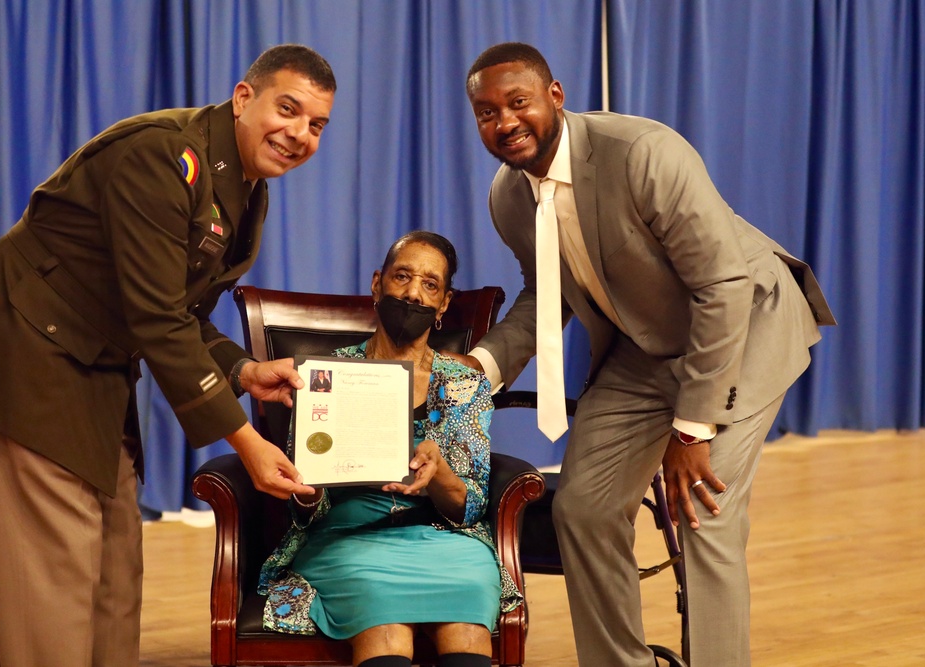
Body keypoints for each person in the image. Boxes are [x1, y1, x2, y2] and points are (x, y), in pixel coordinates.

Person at [0, 44, 335, 666]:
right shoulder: (162, 155)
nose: (300, 134)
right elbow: (156, 316)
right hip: (23, 350)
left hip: (94, 362)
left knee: (116, 572)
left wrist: (243, 369)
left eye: (316, 124)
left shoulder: (247, 189)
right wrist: (248, 444)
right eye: (288, 109)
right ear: (243, 97)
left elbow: (182, 307)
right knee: (57, 577)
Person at [458, 43, 835, 667]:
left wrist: (691, 430)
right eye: (485, 112)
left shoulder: (642, 153)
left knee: (702, 513)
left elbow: (722, 286)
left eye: (517, 102)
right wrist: (483, 366)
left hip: (744, 326)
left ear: (555, 97)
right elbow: (546, 296)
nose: (503, 123)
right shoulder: (508, 196)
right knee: (582, 507)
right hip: (645, 345)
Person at [258, 231, 520, 667]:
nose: (413, 292)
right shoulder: (327, 377)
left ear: (444, 304)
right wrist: (306, 492)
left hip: (447, 541)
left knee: (469, 604)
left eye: (430, 284)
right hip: (349, 540)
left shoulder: (465, 384)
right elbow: (304, 507)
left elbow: (470, 507)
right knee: (384, 621)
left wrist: (440, 475)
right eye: (402, 276)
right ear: (377, 283)